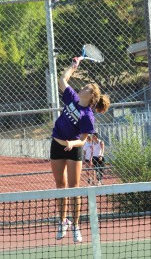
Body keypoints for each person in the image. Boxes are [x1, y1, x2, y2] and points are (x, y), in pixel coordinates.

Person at [50, 57, 110, 243]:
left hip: (73, 149)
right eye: (84, 86)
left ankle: (75, 225)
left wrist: (71, 143)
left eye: (87, 88)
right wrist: (73, 66)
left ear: (91, 97)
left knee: (74, 188)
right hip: (56, 145)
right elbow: (62, 80)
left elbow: (83, 140)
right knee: (60, 186)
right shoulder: (72, 98)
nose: (82, 87)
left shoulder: (88, 116)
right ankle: (63, 222)